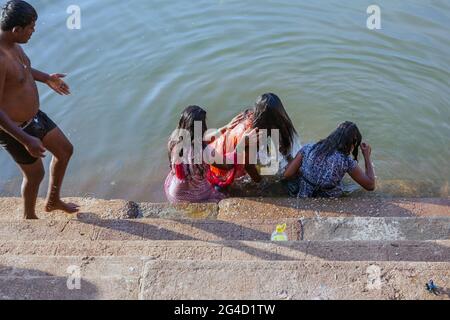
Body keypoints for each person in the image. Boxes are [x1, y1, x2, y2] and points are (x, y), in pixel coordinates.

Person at [0, 1, 79, 219]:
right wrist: (25, 139)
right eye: (31, 27)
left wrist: (46, 78)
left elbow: (23, 70)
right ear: (16, 29)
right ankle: (29, 217)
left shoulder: (14, 45)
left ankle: (53, 201)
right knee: (35, 175)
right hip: (14, 129)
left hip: (34, 117)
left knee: (65, 150)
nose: (34, 31)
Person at [207, 93, 301, 189]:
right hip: (219, 170)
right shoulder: (252, 134)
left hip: (217, 151)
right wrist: (262, 183)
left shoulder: (251, 115)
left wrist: (290, 161)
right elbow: (249, 166)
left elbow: (281, 140)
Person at [165, 105, 256, 203]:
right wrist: (242, 144)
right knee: (225, 197)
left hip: (174, 191)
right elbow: (228, 165)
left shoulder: (174, 139)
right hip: (192, 196)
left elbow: (202, 139)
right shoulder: (203, 151)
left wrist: (225, 128)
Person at [284, 121, 376, 198]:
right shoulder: (346, 161)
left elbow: (287, 174)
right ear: (352, 143)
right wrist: (367, 156)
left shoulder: (308, 148)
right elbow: (370, 185)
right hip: (329, 200)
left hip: (304, 195)